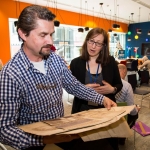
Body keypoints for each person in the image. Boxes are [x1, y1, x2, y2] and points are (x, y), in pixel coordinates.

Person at [0, 5, 116, 150]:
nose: (50, 42)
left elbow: (74, 86)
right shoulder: (10, 74)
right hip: (33, 141)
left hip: (61, 128)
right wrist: (44, 139)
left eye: (51, 34)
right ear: (23, 34)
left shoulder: (54, 59)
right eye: (43, 35)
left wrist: (102, 98)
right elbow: (4, 129)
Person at [70, 27, 123, 150]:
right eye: (91, 41)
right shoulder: (76, 63)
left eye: (98, 43)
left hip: (106, 111)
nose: (93, 46)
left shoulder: (110, 61)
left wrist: (112, 90)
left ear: (104, 46)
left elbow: (119, 84)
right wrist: (82, 88)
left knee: (105, 144)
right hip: (82, 112)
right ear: (86, 41)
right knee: (82, 144)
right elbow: (71, 87)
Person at [115, 64, 140, 145]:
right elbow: (131, 109)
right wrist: (136, 109)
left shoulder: (105, 82)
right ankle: (122, 137)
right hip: (121, 116)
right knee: (135, 114)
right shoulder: (126, 85)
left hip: (108, 114)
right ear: (124, 71)